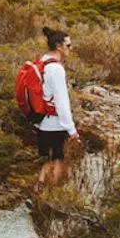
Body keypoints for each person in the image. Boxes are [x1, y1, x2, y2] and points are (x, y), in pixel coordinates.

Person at [31, 26, 79, 200]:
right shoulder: (56, 69)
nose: (70, 49)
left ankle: (38, 191)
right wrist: (72, 129)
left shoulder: (43, 60)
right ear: (59, 46)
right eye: (68, 45)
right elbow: (62, 103)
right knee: (58, 159)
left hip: (41, 120)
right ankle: (51, 196)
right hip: (55, 123)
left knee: (47, 159)